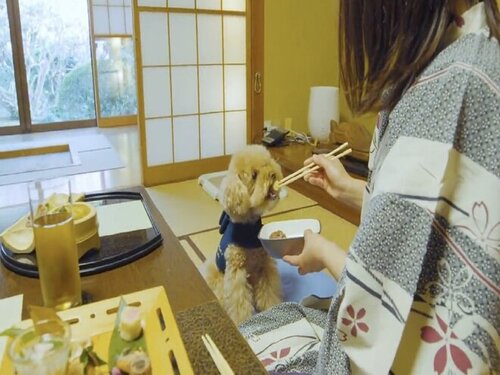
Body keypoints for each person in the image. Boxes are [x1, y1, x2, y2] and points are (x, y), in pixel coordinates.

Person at [239, 0, 500, 373]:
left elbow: (384, 304)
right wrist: (348, 187)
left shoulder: (455, 88)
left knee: (244, 341)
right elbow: (429, 226)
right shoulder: (456, 57)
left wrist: (324, 252)